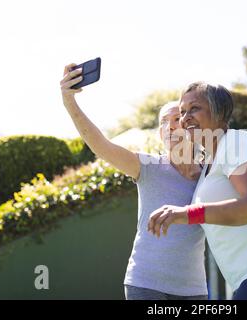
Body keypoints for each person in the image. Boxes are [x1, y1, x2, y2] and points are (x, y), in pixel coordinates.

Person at [147, 81, 247, 300]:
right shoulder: (207, 162)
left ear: (220, 113)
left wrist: (186, 213)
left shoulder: (236, 142)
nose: (185, 118)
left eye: (194, 108)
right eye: (183, 111)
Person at [60, 65, 208, 300]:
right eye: (163, 122)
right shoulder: (147, 167)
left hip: (194, 291)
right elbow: (100, 144)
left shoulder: (209, 174)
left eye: (177, 118)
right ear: (160, 134)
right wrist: (70, 102)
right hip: (146, 285)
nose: (169, 126)